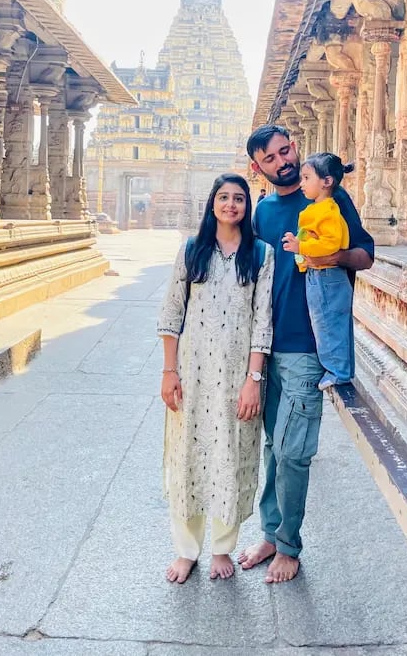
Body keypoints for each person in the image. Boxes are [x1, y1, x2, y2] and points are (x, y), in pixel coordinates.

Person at [238, 126, 374, 583]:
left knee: (294, 450)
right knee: (274, 446)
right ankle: (272, 534)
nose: (283, 161)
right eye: (271, 158)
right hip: (265, 346)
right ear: (259, 168)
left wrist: (328, 257)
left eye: (286, 150)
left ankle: (289, 546)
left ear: (295, 148)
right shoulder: (262, 213)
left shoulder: (329, 201)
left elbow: (365, 256)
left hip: (306, 344)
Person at [158, 173, 274, 584]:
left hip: (235, 377)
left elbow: (263, 321)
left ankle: (222, 547)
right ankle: (186, 550)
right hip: (193, 373)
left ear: (247, 207)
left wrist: (253, 379)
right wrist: (170, 372)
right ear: (212, 204)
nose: (231, 205)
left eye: (239, 198)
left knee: (231, 455)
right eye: (223, 198)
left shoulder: (261, 255)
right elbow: (173, 314)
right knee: (187, 455)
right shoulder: (192, 250)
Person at [281, 152, 355, 391]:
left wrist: (301, 246)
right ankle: (338, 369)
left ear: (326, 182)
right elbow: (312, 237)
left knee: (328, 324)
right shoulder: (316, 209)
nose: (301, 183)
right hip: (318, 275)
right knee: (325, 323)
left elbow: (331, 244)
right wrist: (299, 243)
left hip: (327, 276)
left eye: (306, 178)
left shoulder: (328, 211)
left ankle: (338, 372)